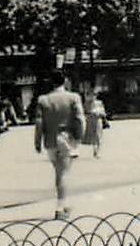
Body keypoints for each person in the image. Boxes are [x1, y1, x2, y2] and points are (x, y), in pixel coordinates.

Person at [33, 71, 85, 220]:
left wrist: (37, 141)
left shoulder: (43, 99)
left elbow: (39, 122)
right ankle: (60, 207)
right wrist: (79, 136)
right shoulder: (73, 97)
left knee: (59, 172)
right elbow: (80, 119)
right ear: (65, 81)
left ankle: (64, 203)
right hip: (66, 137)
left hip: (50, 139)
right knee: (63, 174)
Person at [83, 91, 108, 159]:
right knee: (93, 137)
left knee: (99, 136)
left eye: (94, 95)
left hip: (98, 120)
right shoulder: (86, 103)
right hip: (90, 121)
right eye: (91, 95)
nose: (92, 97)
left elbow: (103, 112)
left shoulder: (99, 103)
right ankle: (95, 150)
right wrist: (89, 114)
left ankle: (97, 152)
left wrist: (100, 113)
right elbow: (84, 112)